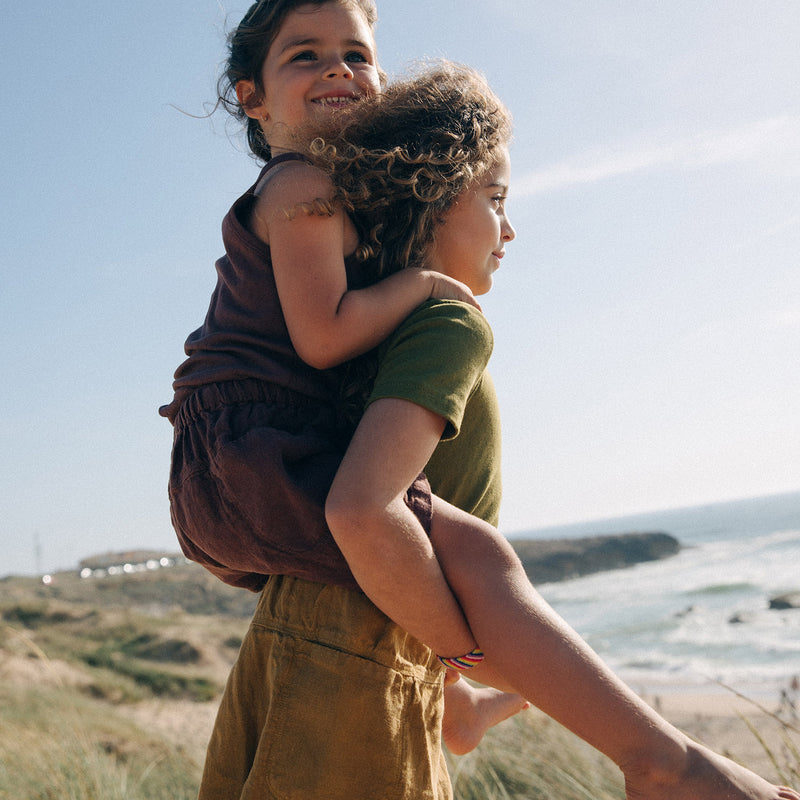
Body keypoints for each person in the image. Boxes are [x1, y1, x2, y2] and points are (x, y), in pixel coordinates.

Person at [160, 3, 800, 799]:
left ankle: (463, 699)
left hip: (262, 513)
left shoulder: (367, 285)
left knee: (448, 547)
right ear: (433, 191)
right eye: (495, 197)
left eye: (358, 55)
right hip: (279, 520)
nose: (338, 70)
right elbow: (354, 479)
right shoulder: (333, 217)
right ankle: (657, 757)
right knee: (475, 559)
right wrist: (460, 649)